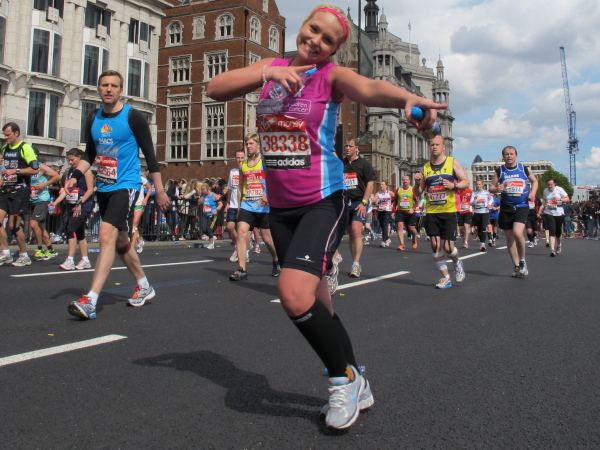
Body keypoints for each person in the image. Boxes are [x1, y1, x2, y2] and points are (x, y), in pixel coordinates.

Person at [207, 4, 446, 429]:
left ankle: (343, 380)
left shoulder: (331, 76)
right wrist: (267, 72)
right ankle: (358, 380)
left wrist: (407, 98)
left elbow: (369, 88)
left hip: (322, 201)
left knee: (293, 295)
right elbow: (214, 88)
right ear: (303, 26)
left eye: (328, 40)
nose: (316, 40)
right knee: (319, 304)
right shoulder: (271, 69)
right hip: (280, 209)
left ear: (334, 49)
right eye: (313, 30)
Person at [65, 70, 169, 320]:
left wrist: (159, 191)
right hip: (104, 187)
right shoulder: (94, 117)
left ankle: (91, 300)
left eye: (113, 85)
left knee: (105, 235)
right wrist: (75, 176)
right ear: (98, 89)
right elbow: (90, 154)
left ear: (121, 90)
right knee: (121, 240)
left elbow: (151, 157)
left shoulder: (133, 117)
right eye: (104, 85)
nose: (109, 89)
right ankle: (144, 285)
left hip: (127, 185)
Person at [414, 135, 468, 289]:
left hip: (449, 210)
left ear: (444, 147)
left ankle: (457, 262)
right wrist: (417, 183)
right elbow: (418, 192)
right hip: (432, 211)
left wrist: (453, 186)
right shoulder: (426, 167)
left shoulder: (452, 162)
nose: (434, 147)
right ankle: (445, 277)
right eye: (432, 145)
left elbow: (465, 182)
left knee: (448, 248)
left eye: (437, 144)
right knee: (435, 244)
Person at [228, 132, 280, 281]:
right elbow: (240, 186)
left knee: (267, 239)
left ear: (258, 145)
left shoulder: (265, 162)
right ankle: (241, 269)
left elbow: (275, 180)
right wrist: (239, 205)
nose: (248, 146)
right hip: (247, 204)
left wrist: (269, 194)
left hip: (264, 206)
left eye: (251, 143)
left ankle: (276, 260)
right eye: (247, 144)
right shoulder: (243, 164)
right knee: (241, 233)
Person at [489, 146, 538, 278]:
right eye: (506, 154)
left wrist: (533, 193)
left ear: (516, 156)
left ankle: (522, 261)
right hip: (506, 207)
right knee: (509, 236)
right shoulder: (499, 171)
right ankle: (516, 265)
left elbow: (535, 181)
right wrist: (497, 189)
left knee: (517, 233)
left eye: (511, 154)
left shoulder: (523, 168)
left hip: (521, 206)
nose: (509, 156)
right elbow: (491, 188)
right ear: (503, 157)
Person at [0, 122, 40, 267]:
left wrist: (16, 171)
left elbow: (35, 169)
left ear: (16, 133)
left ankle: (24, 255)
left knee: (13, 226)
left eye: (8, 135)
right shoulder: (5, 148)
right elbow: (4, 170)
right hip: (5, 190)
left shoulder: (25, 148)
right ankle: (6, 253)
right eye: (4, 135)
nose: (6, 138)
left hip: (19, 191)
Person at [52, 148, 95, 270]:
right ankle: (85, 259)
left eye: (72, 160)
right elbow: (67, 190)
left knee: (70, 229)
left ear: (80, 157)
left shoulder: (86, 171)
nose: (70, 162)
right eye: (68, 160)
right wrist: (55, 202)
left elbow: (90, 190)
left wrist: (80, 203)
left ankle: (70, 259)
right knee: (80, 233)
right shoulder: (70, 171)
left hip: (83, 205)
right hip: (72, 205)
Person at [343, 137, 376, 277]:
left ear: (356, 148)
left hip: (359, 201)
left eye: (350, 146)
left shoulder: (364, 164)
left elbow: (370, 183)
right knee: (351, 233)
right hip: (345, 201)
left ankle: (356, 264)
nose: (347, 148)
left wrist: (364, 202)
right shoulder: (342, 164)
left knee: (356, 231)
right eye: (346, 146)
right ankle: (354, 262)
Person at [29, 159, 61, 261]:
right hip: (32, 199)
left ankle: (40, 249)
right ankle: (50, 249)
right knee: (41, 227)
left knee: (33, 224)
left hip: (42, 199)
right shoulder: (25, 167)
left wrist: (44, 184)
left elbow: (57, 176)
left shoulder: (40, 166)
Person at [225, 149, 246, 262]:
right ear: (235, 159)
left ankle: (244, 251)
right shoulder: (232, 172)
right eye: (238, 157)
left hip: (243, 204)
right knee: (229, 227)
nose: (240, 160)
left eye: (242, 157)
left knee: (242, 230)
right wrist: (227, 202)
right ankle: (238, 247)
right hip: (232, 204)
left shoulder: (247, 170)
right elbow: (230, 188)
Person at [540, 177, 569, 256]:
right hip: (549, 212)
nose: (550, 186)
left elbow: (567, 199)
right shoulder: (545, 191)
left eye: (551, 185)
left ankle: (559, 244)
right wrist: (542, 206)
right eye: (548, 185)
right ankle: (552, 250)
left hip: (558, 212)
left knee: (558, 232)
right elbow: (545, 200)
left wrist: (560, 199)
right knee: (552, 231)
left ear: (554, 184)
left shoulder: (559, 189)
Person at [393, 175, 419, 250]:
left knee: (411, 228)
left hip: (410, 211)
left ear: (409, 181)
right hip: (400, 211)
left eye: (406, 180)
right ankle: (402, 244)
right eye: (404, 180)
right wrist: (393, 211)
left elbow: (417, 201)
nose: (405, 181)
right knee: (399, 226)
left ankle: (414, 238)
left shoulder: (412, 189)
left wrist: (413, 209)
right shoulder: (398, 190)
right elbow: (395, 201)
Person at [470, 180, 494, 252]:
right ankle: (481, 242)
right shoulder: (474, 193)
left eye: (479, 184)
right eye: (477, 184)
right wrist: (475, 200)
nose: (478, 185)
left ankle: (483, 244)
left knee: (483, 227)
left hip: (485, 212)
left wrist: (489, 204)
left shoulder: (486, 192)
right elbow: (471, 203)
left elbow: (491, 199)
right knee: (479, 228)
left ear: (482, 185)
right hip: (477, 212)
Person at [132, 173, 152, 253]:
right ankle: (139, 242)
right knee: (132, 226)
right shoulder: (129, 178)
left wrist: (145, 199)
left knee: (133, 225)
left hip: (139, 203)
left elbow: (150, 188)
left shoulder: (141, 179)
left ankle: (131, 248)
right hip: (131, 204)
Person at [198, 183, 220, 249]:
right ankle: (212, 237)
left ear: (207, 189)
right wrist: (202, 196)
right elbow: (199, 202)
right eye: (201, 190)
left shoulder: (214, 195)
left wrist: (216, 209)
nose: (202, 191)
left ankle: (211, 243)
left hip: (212, 215)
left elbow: (220, 204)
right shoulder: (204, 196)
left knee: (209, 229)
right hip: (205, 214)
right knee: (203, 229)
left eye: (203, 189)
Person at [374, 181, 393, 247]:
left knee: (385, 225)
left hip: (387, 211)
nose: (381, 186)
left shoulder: (389, 193)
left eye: (382, 184)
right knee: (382, 225)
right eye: (380, 184)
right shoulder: (378, 193)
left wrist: (393, 205)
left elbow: (396, 198)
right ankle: (388, 238)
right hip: (380, 210)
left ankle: (383, 241)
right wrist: (376, 202)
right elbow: (374, 200)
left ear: (386, 186)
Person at [167, 179, 183, 243]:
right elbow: (168, 194)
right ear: (178, 183)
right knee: (170, 221)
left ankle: (174, 234)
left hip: (175, 207)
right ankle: (170, 234)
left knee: (175, 221)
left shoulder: (179, 189)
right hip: (170, 206)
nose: (182, 184)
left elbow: (179, 195)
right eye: (181, 183)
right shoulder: (172, 187)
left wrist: (181, 196)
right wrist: (176, 197)